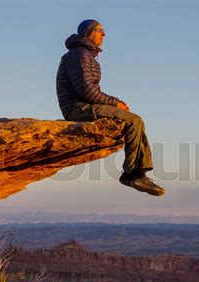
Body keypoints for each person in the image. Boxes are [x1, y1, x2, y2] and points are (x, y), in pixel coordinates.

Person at [56, 19, 165, 196]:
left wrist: (115, 104)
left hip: (83, 105)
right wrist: (115, 103)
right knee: (134, 121)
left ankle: (138, 172)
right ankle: (133, 174)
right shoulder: (79, 54)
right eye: (99, 30)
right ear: (88, 33)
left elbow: (88, 90)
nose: (104, 34)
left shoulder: (84, 54)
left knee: (133, 121)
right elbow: (85, 90)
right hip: (78, 108)